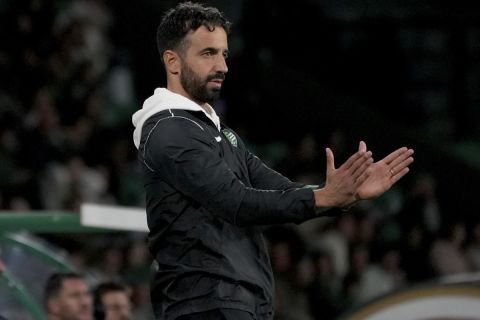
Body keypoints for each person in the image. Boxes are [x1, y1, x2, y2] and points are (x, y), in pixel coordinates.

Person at [131, 2, 414, 319]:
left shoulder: (216, 130)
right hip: (206, 304)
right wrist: (322, 197)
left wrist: (341, 192)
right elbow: (236, 201)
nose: (223, 66)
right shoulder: (170, 130)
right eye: (208, 53)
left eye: (224, 54)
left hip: (237, 301)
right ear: (172, 61)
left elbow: (276, 188)